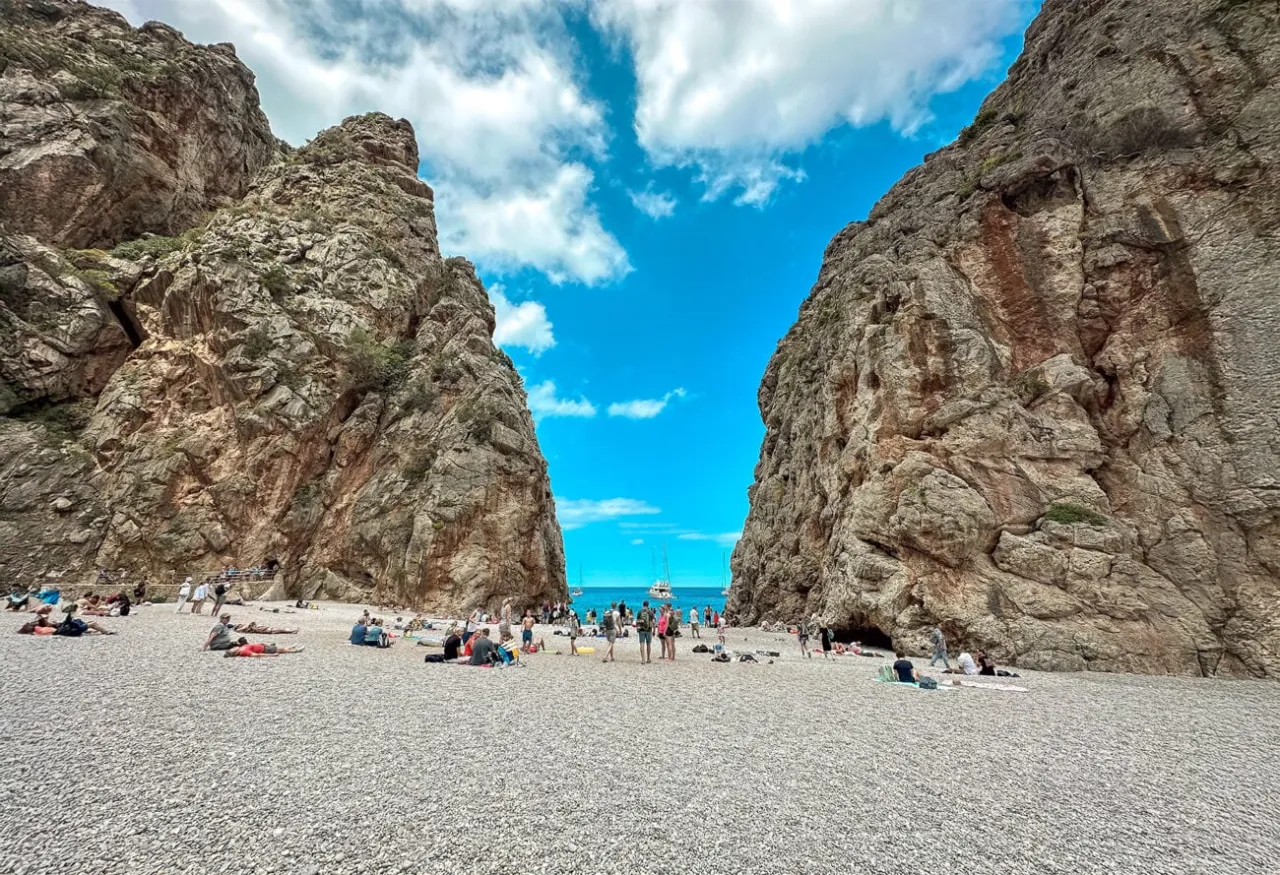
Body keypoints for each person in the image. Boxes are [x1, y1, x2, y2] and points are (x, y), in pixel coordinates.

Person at [224, 642, 303, 657]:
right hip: (265, 650)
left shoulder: (240, 648)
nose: (234, 648)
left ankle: (291, 647)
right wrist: (271, 655)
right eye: (232, 650)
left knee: (280, 648)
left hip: (263, 646)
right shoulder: (243, 652)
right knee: (281, 650)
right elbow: (256, 655)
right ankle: (295, 650)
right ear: (234, 653)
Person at [233, 621, 297, 635]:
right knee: (277, 630)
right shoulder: (239, 629)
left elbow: (252, 623)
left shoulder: (243, 627)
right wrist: (247, 625)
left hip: (259, 628)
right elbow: (240, 629)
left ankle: (290, 631)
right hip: (259, 629)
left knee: (277, 630)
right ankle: (291, 631)